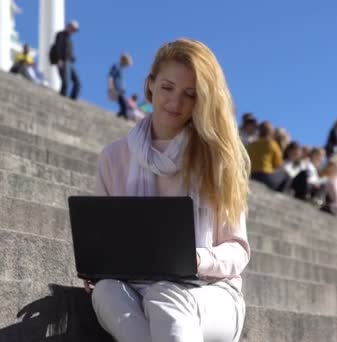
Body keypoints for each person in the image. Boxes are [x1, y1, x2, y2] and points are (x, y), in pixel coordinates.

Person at [90, 39, 250, 342]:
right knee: (106, 290)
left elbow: (238, 250)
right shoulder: (114, 158)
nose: (175, 102)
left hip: (211, 293)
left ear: (201, 100)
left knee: (166, 295)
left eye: (189, 95)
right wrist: (98, 268)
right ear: (150, 85)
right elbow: (105, 238)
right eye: (167, 88)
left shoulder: (218, 159)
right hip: (135, 287)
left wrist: (196, 259)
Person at [247, 121, 290, 192]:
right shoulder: (272, 144)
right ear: (271, 132)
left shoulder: (252, 144)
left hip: (253, 174)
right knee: (286, 175)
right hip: (266, 176)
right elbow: (278, 164)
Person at [54, 20, 80, 99]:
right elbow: (58, 47)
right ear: (69, 26)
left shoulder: (69, 39)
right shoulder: (60, 35)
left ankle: (73, 98)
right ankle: (62, 96)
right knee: (66, 81)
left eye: (75, 30)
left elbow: (68, 51)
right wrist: (59, 59)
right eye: (73, 29)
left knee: (77, 82)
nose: (74, 31)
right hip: (63, 61)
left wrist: (73, 57)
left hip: (69, 62)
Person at [108, 53, 134, 119]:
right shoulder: (116, 66)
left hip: (121, 91)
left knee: (123, 107)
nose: (127, 66)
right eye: (127, 63)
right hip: (116, 90)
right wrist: (111, 88)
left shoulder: (121, 69)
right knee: (124, 107)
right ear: (124, 60)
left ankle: (117, 118)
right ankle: (124, 119)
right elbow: (110, 77)